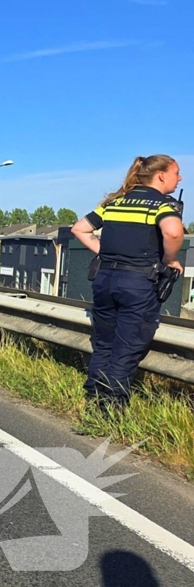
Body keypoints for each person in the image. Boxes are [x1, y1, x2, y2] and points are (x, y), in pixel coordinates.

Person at [71, 155, 184, 409]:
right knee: (127, 348)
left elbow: (79, 229)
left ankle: (93, 400)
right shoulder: (162, 205)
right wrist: (169, 260)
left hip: (105, 279)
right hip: (138, 283)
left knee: (104, 344)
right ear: (161, 175)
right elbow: (174, 232)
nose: (180, 178)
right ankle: (109, 410)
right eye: (177, 172)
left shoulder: (115, 202)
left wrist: (104, 251)